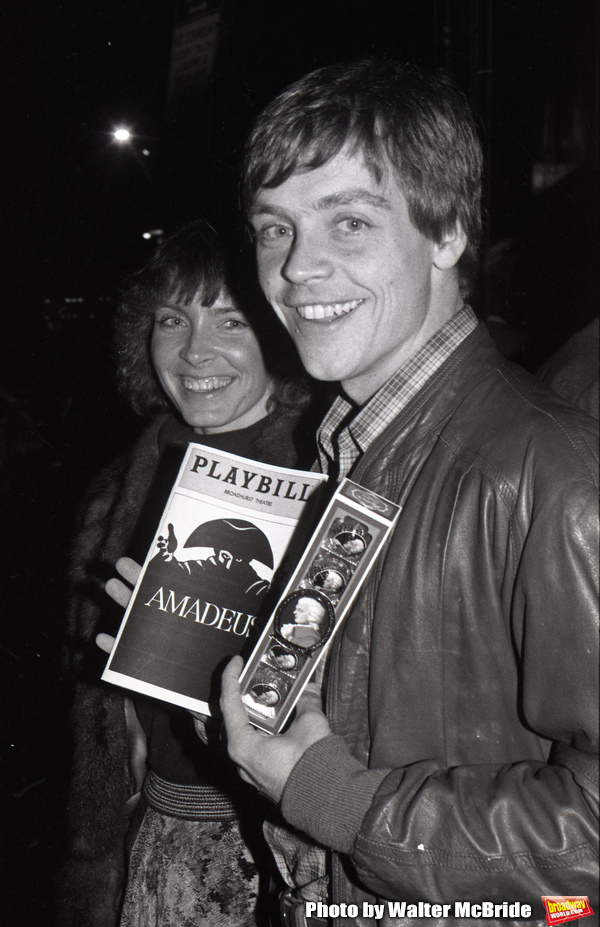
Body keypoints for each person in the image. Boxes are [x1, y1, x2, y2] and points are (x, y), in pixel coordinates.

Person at [219, 59, 599, 925]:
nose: (296, 269)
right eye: (275, 229)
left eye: (347, 223)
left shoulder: (553, 469)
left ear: (447, 233)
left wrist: (343, 801)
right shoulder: (347, 443)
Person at [61, 220, 321, 927]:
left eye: (230, 318)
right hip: (143, 836)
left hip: (270, 851)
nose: (194, 350)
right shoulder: (123, 483)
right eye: (172, 318)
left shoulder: (327, 479)